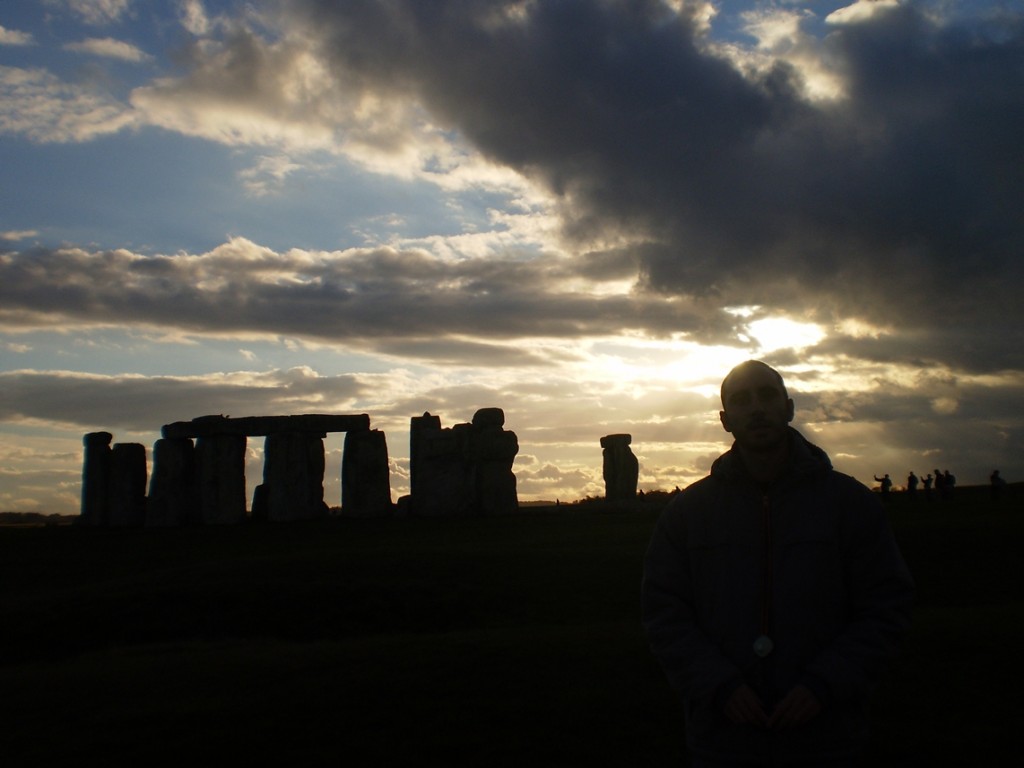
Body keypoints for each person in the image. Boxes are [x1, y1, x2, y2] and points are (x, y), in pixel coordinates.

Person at [642, 361, 914, 767]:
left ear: (788, 408)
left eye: (767, 396)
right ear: (724, 420)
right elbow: (665, 613)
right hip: (724, 737)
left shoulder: (850, 504)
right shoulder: (687, 513)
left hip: (827, 734)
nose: (756, 408)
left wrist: (826, 683)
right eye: (741, 400)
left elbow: (886, 605)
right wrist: (719, 686)